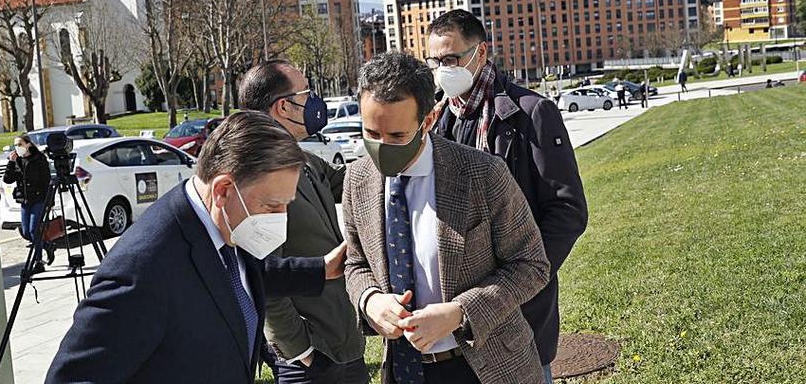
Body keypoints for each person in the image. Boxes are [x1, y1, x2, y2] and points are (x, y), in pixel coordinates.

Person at [47, 111, 348, 384]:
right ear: (223, 190)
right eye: (272, 206)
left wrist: (320, 269)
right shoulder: (143, 268)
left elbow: (238, 276)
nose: (280, 219)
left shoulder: (226, 224)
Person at [344, 52, 550, 384]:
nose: (382, 148)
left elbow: (531, 265)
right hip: (404, 370)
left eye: (397, 136)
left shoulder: (482, 174)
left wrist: (460, 313)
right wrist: (370, 300)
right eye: (371, 133)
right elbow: (355, 264)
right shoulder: (357, 180)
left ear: (428, 120)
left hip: (485, 367)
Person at [427, 10, 588, 384]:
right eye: (434, 61)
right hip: (455, 314)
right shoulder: (435, 119)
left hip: (517, 307)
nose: (441, 69)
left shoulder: (530, 114)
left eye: (450, 59)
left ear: (480, 53)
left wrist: (522, 279)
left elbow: (567, 210)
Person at [239, 61, 369, 384]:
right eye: (307, 93)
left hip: (343, 344)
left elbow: (356, 181)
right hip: (312, 362)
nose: (314, 102)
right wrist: (301, 351)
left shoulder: (303, 161)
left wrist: (398, 138)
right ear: (283, 106)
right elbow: (263, 278)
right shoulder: (259, 175)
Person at [3, 134, 51, 273]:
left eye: (20, 144)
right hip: (25, 200)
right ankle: (46, 245)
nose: (17, 148)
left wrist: (49, 201)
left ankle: (38, 262)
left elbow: (46, 180)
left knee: (33, 230)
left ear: (28, 144)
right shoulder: (17, 161)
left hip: (39, 199)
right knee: (26, 232)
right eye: (15, 145)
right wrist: (11, 163)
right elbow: (8, 180)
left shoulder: (39, 159)